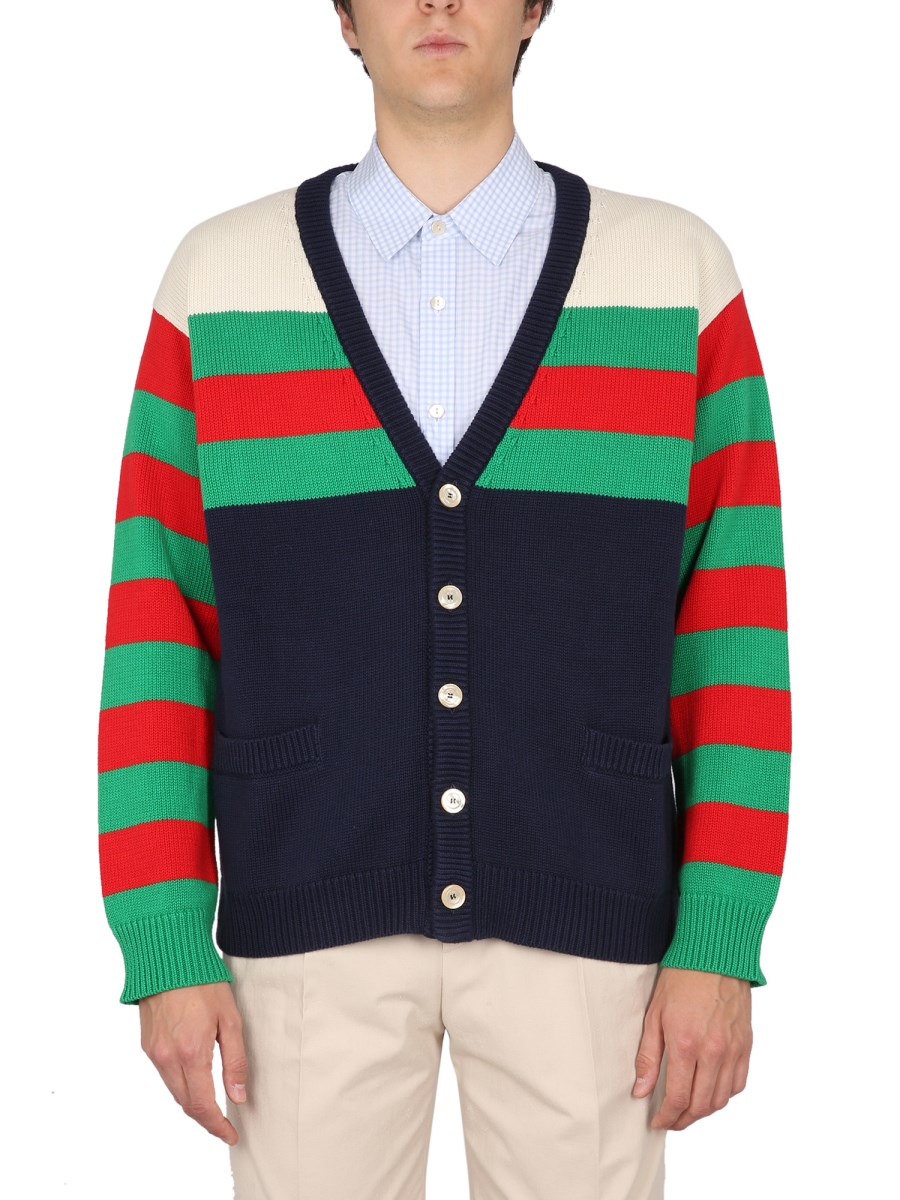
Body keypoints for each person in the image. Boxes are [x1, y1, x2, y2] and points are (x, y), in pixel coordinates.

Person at [96, 2, 791, 1196]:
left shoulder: (675, 275)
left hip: (592, 922)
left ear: (535, 9)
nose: (436, 0)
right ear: (343, 17)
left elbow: (733, 628)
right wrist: (162, 938)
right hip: (306, 922)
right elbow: (159, 620)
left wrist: (721, 936)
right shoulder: (219, 282)